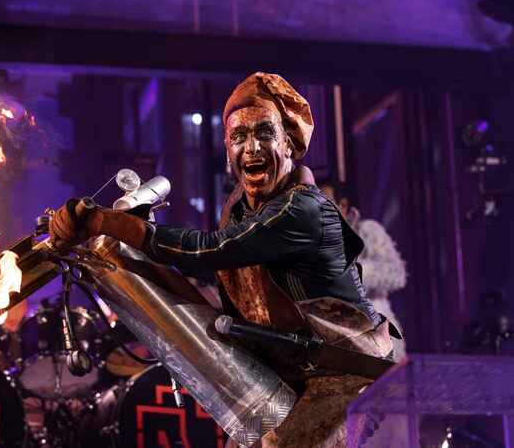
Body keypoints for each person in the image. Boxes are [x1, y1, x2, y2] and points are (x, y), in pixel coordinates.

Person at [50, 72, 394, 447]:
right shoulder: (238, 209)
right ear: (227, 149)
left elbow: (213, 250)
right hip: (293, 373)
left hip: (347, 376)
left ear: (288, 143)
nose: (252, 148)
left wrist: (110, 223)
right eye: (239, 137)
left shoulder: (302, 208)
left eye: (265, 133)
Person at [319, 183, 407, 361]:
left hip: (380, 334)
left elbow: (397, 274)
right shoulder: (318, 243)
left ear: (342, 205)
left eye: (326, 204)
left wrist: (355, 271)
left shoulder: (366, 230)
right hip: (343, 341)